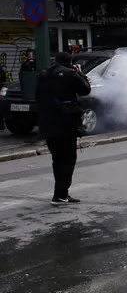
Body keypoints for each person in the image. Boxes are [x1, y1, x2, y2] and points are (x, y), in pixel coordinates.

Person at [36, 52, 91, 206]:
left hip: (47, 123)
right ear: (70, 62)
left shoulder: (43, 74)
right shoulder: (71, 74)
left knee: (57, 159)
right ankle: (60, 195)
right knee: (68, 160)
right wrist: (81, 73)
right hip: (66, 124)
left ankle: (59, 193)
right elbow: (85, 90)